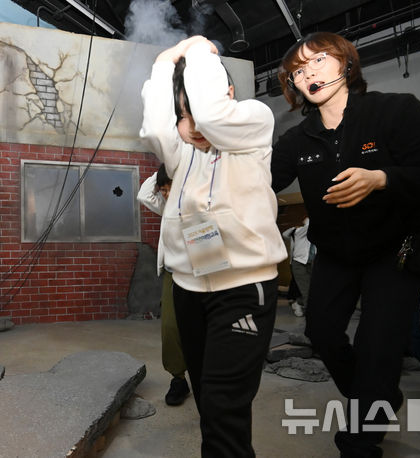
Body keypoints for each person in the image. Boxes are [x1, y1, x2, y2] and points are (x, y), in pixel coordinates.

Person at [271, 31, 420, 457]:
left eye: (318, 60)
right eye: (297, 71)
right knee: (321, 333)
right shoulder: (297, 140)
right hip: (337, 255)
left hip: (395, 251)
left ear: (346, 63)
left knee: (377, 348)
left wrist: (382, 178)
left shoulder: (395, 111)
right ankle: (379, 398)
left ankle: (358, 442)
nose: (307, 74)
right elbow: (262, 184)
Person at [140, 35, 287, 457]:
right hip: (190, 289)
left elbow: (212, 115)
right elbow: (156, 129)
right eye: (182, 117)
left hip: (242, 289)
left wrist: (198, 50)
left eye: (196, 110)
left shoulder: (253, 123)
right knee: (209, 402)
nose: (193, 126)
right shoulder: (181, 154)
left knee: (224, 409)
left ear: (228, 93)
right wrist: (165, 61)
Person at [137, 163, 191, 406]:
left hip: (200, 275)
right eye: (164, 189)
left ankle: (207, 377)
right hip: (172, 274)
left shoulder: (203, 205)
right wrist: (168, 165)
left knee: (201, 329)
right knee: (170, 328)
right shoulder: (167, 207)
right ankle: (178, 378)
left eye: (171, 188)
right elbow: (144, 194)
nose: (167, 194)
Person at [282, 217, 314, 317]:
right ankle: (312, 314)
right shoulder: (299, 231)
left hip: (310, 263)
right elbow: (285, 234)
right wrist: (294, 228)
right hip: (299, 263)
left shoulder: (312, 235)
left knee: (311, 289)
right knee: (305, 289)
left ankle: (298, 303)